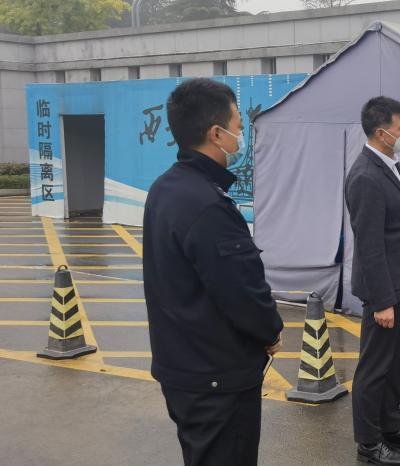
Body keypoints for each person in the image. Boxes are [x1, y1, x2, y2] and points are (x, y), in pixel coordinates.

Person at [143, 78, 284, 466]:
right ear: (216, 133)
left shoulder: (165, 188)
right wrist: (270, 331)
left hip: (183, 368)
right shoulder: (207, 204)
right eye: (238, 125)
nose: (241, 135)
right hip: (216, 378)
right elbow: (240, 289)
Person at [347, 96, 400, 466]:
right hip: (384, 292)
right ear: (382, 133)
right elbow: (369, 245)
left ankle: (391, 426)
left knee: (395, 364)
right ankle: (369, 443)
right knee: (374, 369)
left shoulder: (389, 164)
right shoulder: (365, 176)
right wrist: (382, 301)